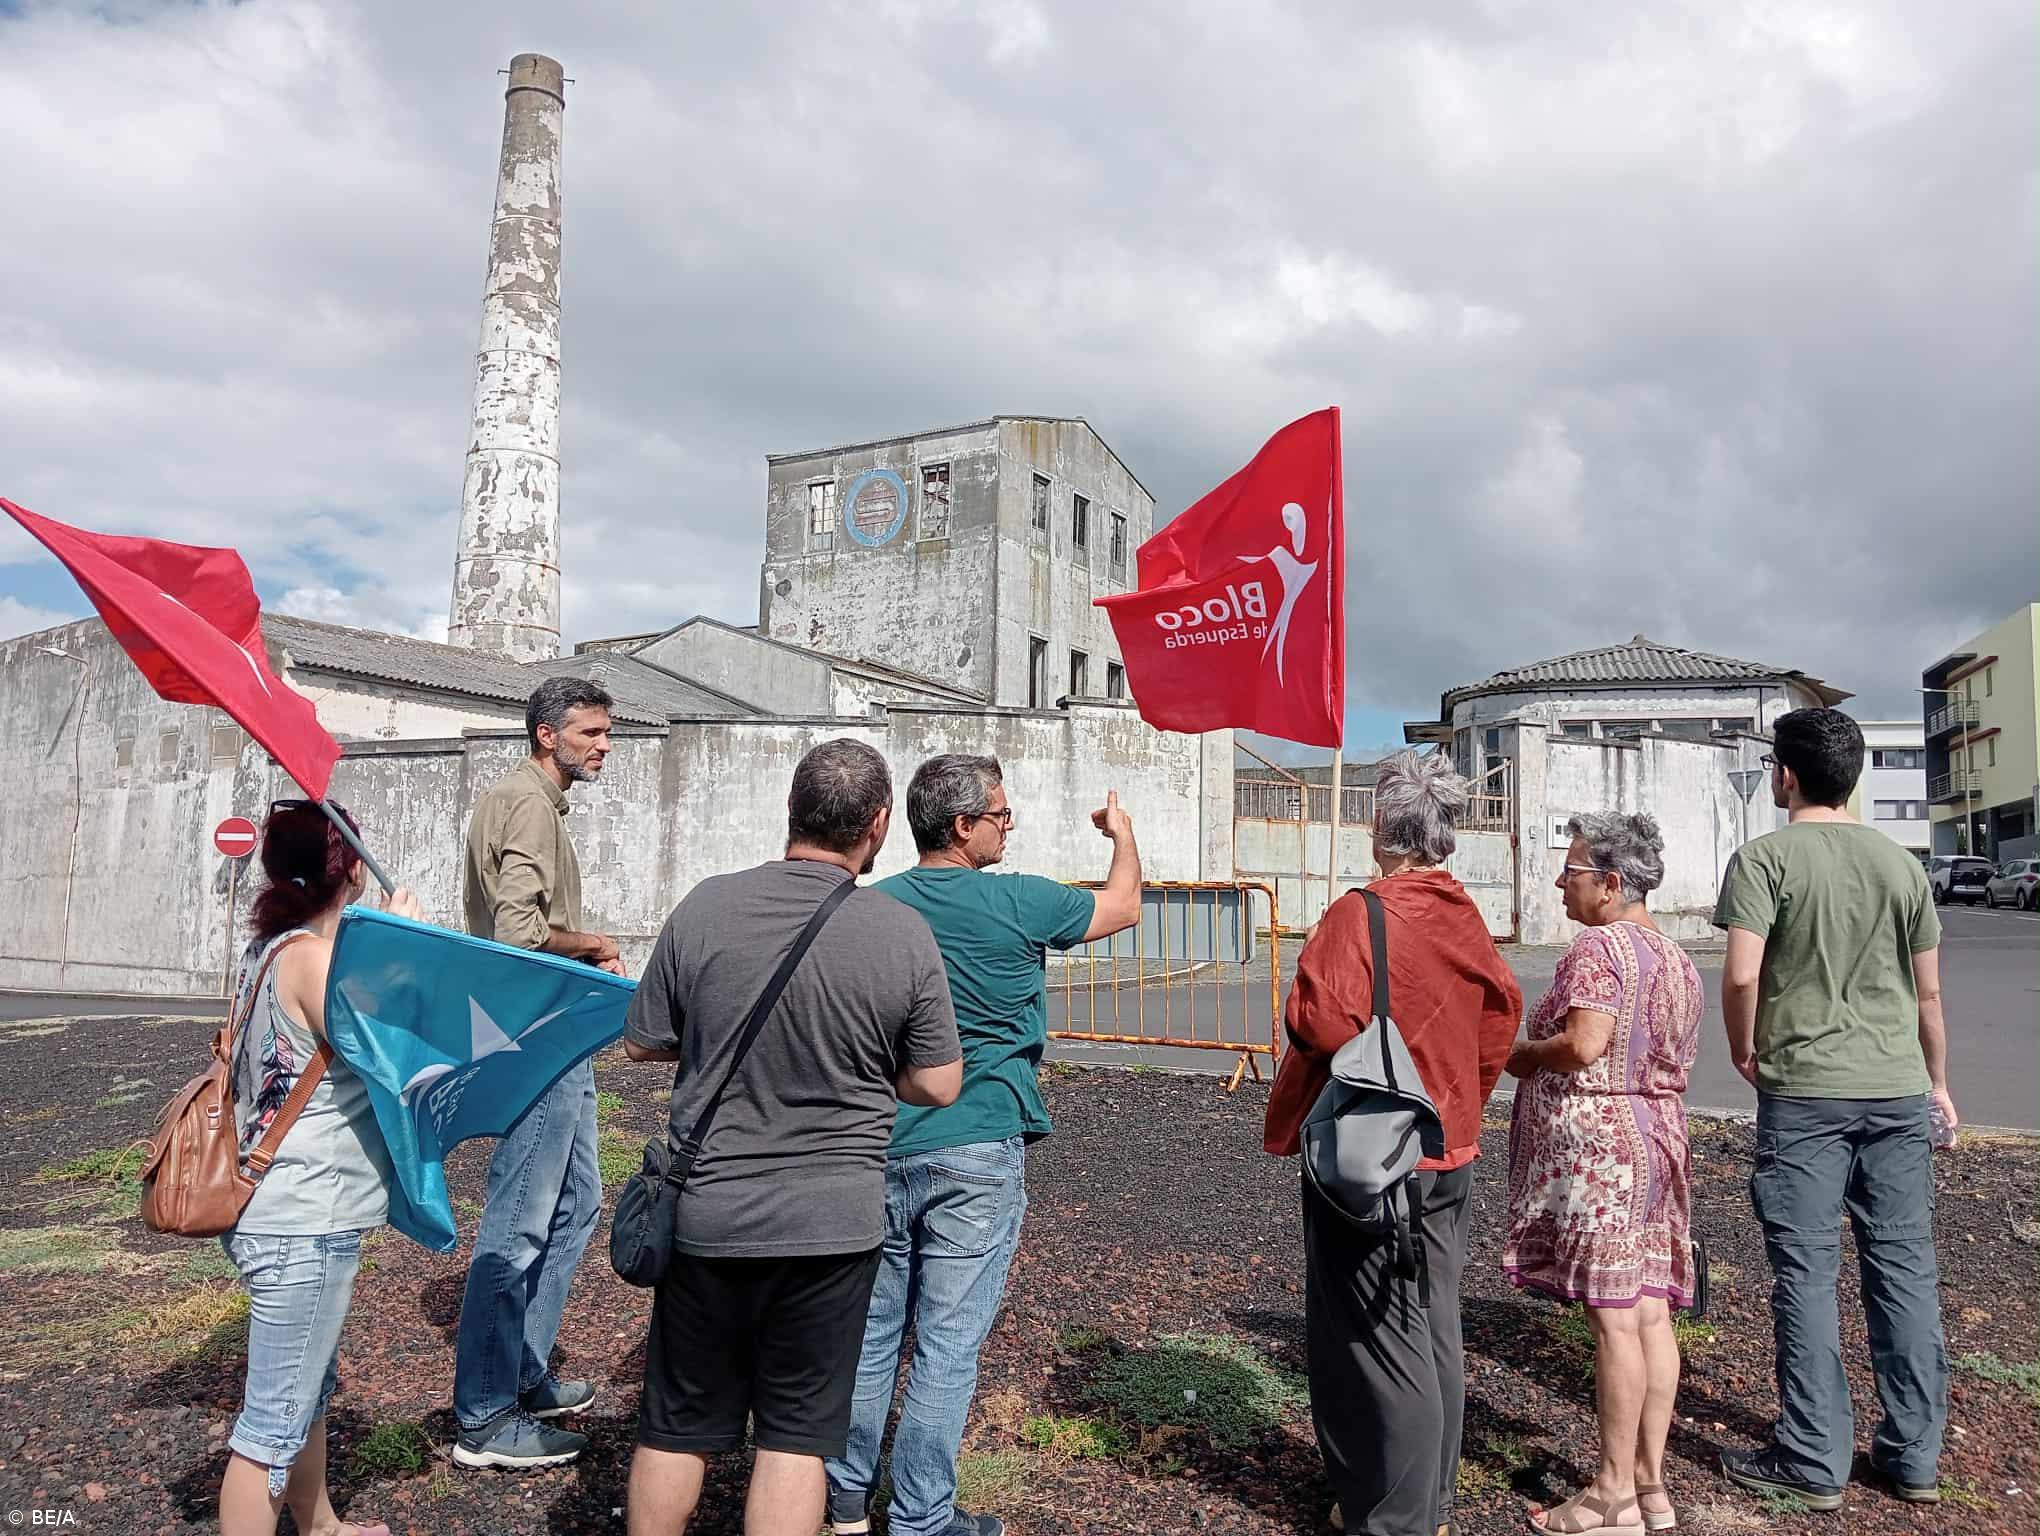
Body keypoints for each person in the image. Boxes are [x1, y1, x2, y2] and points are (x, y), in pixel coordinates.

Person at [622, 738, 963, 1536]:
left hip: (710, 1215)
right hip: (832, 1224)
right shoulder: (901, 933)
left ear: (790, 811)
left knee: (676, 1425)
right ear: (878, 825)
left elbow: (642, 1040)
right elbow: (939, 1082)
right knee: (797, 1438)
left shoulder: (705, 905)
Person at [826, 755, 1144, 1536]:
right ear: (963, 826)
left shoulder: (871, 907)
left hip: (883, 1142)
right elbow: (1125, 906)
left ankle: (842, 1502)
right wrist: (1122, 836)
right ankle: (922, 1518)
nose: (1010, 825)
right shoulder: (1020, 900)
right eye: (1000, 815)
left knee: (870, 1336)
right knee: (946, 1345)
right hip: (979, 1141)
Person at [1263, 749, 1523, 1536]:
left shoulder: (1362, 913)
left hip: (1374, 1151)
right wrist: (1458, 1093)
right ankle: (1427, 1502)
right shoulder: (1463, 913)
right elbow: (1500, 1016)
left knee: (1378, 1336)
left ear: (1382, 827)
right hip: (1449, 1145)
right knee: (1432, 1320)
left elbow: (1315, 1021)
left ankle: (1397, 1515)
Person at [1713, 708, 1955, 1511]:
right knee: (1904, 1267)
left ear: (1785, 775)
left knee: (1808, 1272)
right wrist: (1938, 1082)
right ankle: (1914, 1457)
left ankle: (1814, 1458)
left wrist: (1745, 1052)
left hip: (1806, 1092)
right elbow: (1928, 993)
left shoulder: (1763, 860)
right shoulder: (1903, 865)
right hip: (1896, 1087)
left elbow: (1743, 975)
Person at [218, 800, 424, 1536]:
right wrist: (402, 937)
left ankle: (323, 1524)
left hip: (269, 1202)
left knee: (307, 1391)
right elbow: (401, 1046)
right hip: (304, 1216)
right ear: (348, 869)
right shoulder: (315, 959)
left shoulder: (267, 951)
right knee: (269, 1428)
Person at [1502, 813, 1702, 1536]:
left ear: (1612, 884)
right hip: (1658, 1141)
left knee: (1615, 1321)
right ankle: (1651, 1489)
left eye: (1573, 870)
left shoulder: (1600, 945)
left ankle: (1610, 1496)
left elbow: (1584, 1045)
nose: (1561, 880)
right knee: (1650, 1313)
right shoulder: (1672, 955)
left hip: (1604, 1153)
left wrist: (1522, 1054)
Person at [452, 677, 626, 1470]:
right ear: (546, 735)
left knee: (577, 1201)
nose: (603, 744)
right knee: (522, 1214)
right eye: (591, 731)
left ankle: (521, 1369)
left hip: (551, 1033)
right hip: (533, 1032)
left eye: (606, 731)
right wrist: (592, 944)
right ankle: (485, 1418)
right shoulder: (525, 803)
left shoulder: (534, 803)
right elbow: (520, 930)